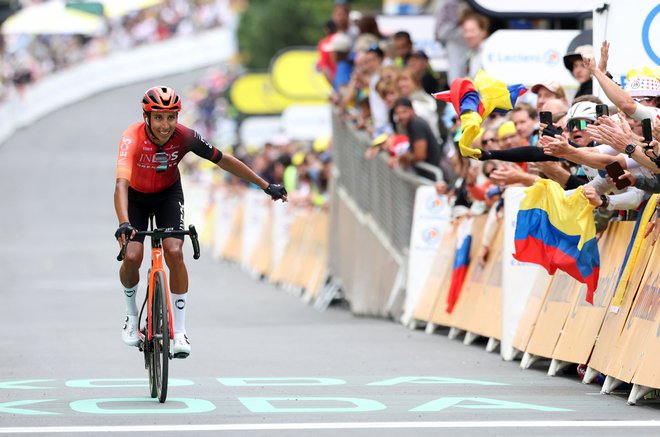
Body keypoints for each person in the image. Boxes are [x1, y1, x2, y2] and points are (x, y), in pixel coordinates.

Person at [114, 86, 287, 358]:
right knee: (133, 255)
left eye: (171, 117)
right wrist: (124, 221)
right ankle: (130, 315)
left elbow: (224, 160)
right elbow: (121, 184)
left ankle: (180, 332)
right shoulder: (131, 137)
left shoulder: (186, 137)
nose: (166, 125)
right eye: (159, 117)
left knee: (174, 251)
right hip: (134, 197)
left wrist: (265, 186)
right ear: (146, 117)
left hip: (168, 195)